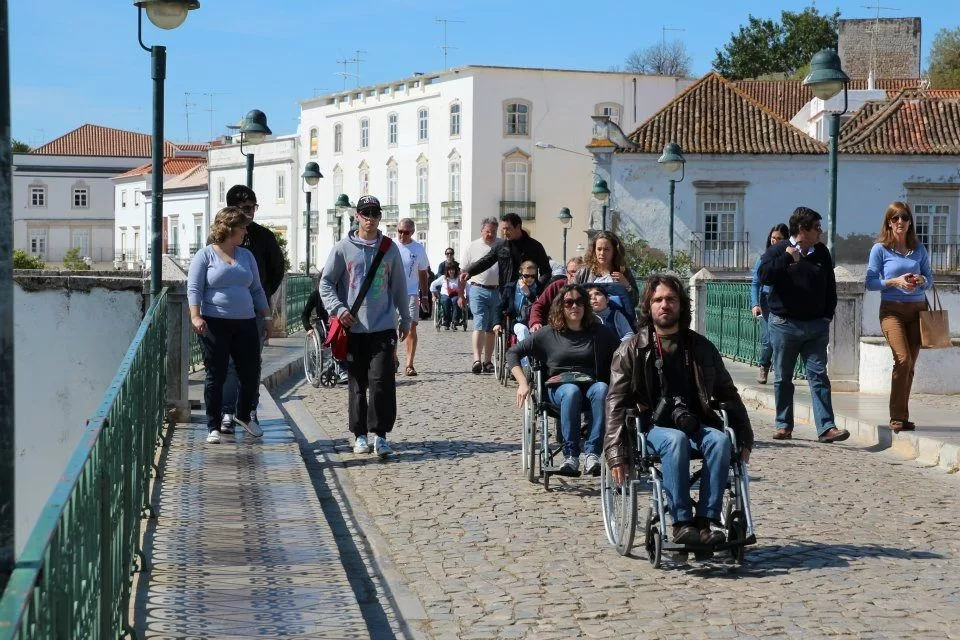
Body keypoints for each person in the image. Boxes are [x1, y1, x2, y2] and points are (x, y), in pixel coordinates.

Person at [605, 274, 753, 545]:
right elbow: (615, 402)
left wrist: (744, 436)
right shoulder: (630, 350)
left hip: (697, 422)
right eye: (658, 299)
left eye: (671, 299)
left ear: (681, 305)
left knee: (720, 441)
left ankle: (706, 522)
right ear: (648, 306)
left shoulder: (701, 348)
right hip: (651, 428)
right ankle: (681, 522)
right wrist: (616, 454)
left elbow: (728, 395)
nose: (665, 305)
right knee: (676, 440)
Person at [320, 195, 411, 457]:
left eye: (374, 213)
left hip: (382, 326)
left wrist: (405, 317)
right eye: (365, 213)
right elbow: (326, 283)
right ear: (357, 216)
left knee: (382, 381)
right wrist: (339, 309)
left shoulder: (389, 248)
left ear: (380, 217)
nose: (370, 218)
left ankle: (380, 435)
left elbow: (399, 287)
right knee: (358, 384)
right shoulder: (342, 249)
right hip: (353, 328)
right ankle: (359, 435)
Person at [508, 284, 619, 477]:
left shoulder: (600, 333)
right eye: (568, 302)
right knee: (571, 391)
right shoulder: (548, 333)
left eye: (579, 302)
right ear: (561, 306)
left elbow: (622, 355)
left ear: (585, 306)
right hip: (559, 389)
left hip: (590, 387)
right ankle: (571, 455)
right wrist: (522, 383)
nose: (574, 306)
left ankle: (592, 454)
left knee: (602, 388)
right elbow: (513, 352)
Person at [759, 206, 848, 443]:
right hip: (784, 325)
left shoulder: (821, 253)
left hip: (816, 327)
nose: (820, 231)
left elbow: (830, 285)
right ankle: (784, 425)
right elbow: (764, 275)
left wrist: (828, 314)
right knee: (783, 377)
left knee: (818, 375)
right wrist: (788, 257)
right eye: (817, 227)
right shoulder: (778, 250)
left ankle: (826, 427)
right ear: (802, 229)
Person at [187, 207, 272, 444]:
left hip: (245, 322)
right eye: (243, 227)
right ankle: (213, 425)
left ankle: (243, 415)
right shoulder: (205, 256)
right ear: (229, 228)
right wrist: (195, 316)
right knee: (217, 374)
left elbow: (256, 289)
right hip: (214, 322)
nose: (246, 231)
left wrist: (266, 317)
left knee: (251, 372)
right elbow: (194, 289)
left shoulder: (246, 256)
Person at [220, 184, 285, 430]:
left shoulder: (264, 237)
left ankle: (248, 411)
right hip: (223, 313)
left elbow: (277, 270)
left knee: (251, 363)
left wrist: (263, 298)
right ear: (232, 209)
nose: (250, 213)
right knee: (227, 364)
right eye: (245, 208)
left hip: (256, 312)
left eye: (253, 208)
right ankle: (227, 412)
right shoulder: (217, 239)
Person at [865, 202, 934, 433]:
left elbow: (930, 278)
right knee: (902, 360)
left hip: (917, 310)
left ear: (910, 222)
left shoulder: (918, 248)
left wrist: (922, 280)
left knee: (911, 365)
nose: (900, 222)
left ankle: (902, 416)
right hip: (891, 310)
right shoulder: (880, 249)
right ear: (889, 223)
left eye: (904, 218)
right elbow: (870, 282)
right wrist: (894, 281)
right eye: (895, 219)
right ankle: (896, 416)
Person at [530, 231, 638, 333]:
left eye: (607, 249)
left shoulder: (623, 272)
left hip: (617, 325)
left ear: (614, 250)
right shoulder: (584, 271)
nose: (602, 253)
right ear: (594, 250)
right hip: (586, 324)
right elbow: (571, 295)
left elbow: (634, 302)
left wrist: (626, 285)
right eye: (599, 249)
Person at [459, 217, 500, 374]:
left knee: (492, 327)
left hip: (497, 290)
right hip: (477, 289)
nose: (490, 234)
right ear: (482, 230)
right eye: (487, 231)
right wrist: (461, 294)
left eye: (493, 231)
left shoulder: (502, 244)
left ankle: (488, 361)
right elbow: (463, 272)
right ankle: (477, 359)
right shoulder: (472, 247)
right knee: (479, 322)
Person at [750, 224, 789, 384]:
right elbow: (755, 283)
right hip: (766, 302)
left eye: (779, 239)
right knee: (767, 340)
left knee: (783, 340)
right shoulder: (764, 258)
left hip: (783, 302)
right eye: (773, 238)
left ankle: (782, 372)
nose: (775, 241)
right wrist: (755, 304)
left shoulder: (790, 258)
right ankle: (764, 366)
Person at [395, 218, 430, 376]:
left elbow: (423, 273)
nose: (402, 235)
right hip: (391, 292)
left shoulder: (418, 249)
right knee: (390, 327)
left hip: (410, 292)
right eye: (400, 231)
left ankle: (409, 364)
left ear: (412, 232)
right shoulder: (391, 246)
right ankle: (393, 358)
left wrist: (424, 295)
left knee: (411, 327)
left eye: (406, 232)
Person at [302, 281, 347, 384]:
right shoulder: (316, 295)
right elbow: (305, 314)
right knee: (337, 336)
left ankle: (344, 367)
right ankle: (341, 369)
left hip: (339, 323)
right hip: (323, 325)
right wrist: (308, 328)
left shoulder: (342, 293)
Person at [494, 260, 542, 347]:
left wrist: (528, 293)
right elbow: (500, 306)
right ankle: (525, 359)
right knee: (523, 330)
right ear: (521, 273)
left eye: (533, 276)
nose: (530, 279)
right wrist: (497, 323)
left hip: (535, 322)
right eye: (526, 276)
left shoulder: (540, 288)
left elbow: (540, 304)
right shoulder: (511, 287)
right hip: (516, 321)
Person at [430, 263, 463, 330]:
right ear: (447, 271)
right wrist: (434, 295)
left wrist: (467, 296)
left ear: (455, 270)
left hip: (455, 295)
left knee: (456, 300)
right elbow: (433, 285)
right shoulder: (443, 278)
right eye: (449, 270)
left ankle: (455, 321)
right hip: (445, 295)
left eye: (453, 270)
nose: (451, 271)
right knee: (446, 300)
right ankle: (446, 320)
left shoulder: (458, 278)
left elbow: (467, 286)